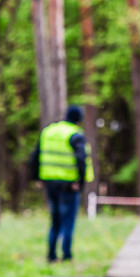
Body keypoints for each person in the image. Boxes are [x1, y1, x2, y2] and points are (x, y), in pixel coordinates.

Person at [29, 105, 93, 262]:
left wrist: (37, 177)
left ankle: (51, 254)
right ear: (79, 119)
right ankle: (66, 255)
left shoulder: (48, 131)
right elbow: (81, 160)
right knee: (68, 220)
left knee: (55, 219)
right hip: (69, 185)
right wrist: (80, 182)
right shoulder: (75, 134)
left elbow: (34, 156)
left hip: (50, 183)